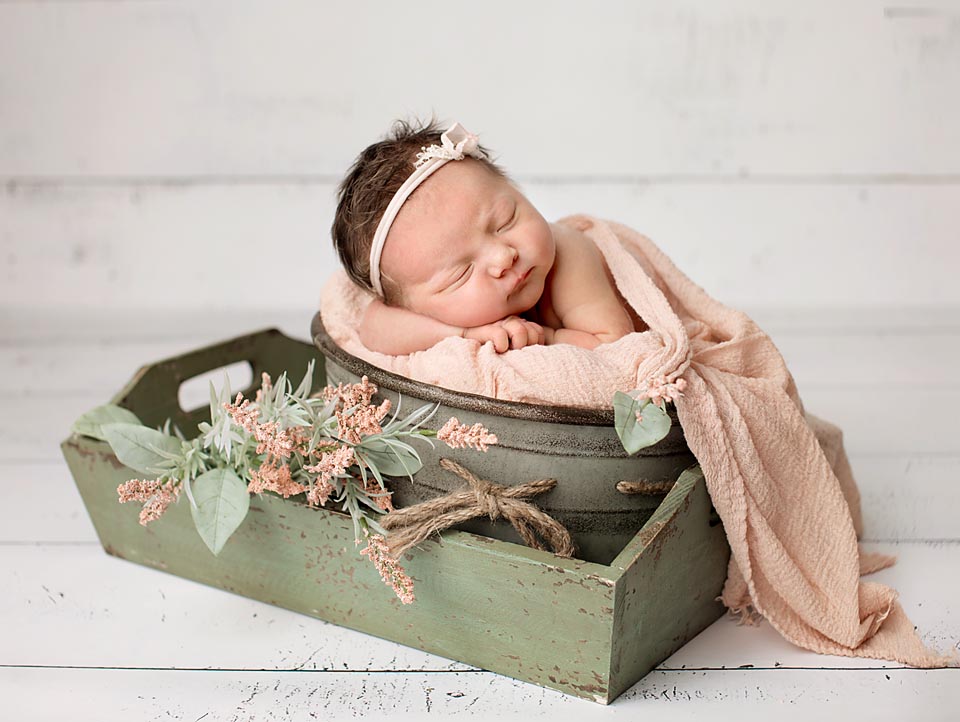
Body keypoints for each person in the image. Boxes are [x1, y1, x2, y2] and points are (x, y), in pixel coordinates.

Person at [331, 118, 637, 355]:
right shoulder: (421, 314)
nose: (504, 257)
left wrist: (542, 337)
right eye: (461, 273)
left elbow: (616, 352)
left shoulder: (570, 254)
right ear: (413, 309)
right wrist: (462, 335)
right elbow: (372, 329)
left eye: (505, 221)